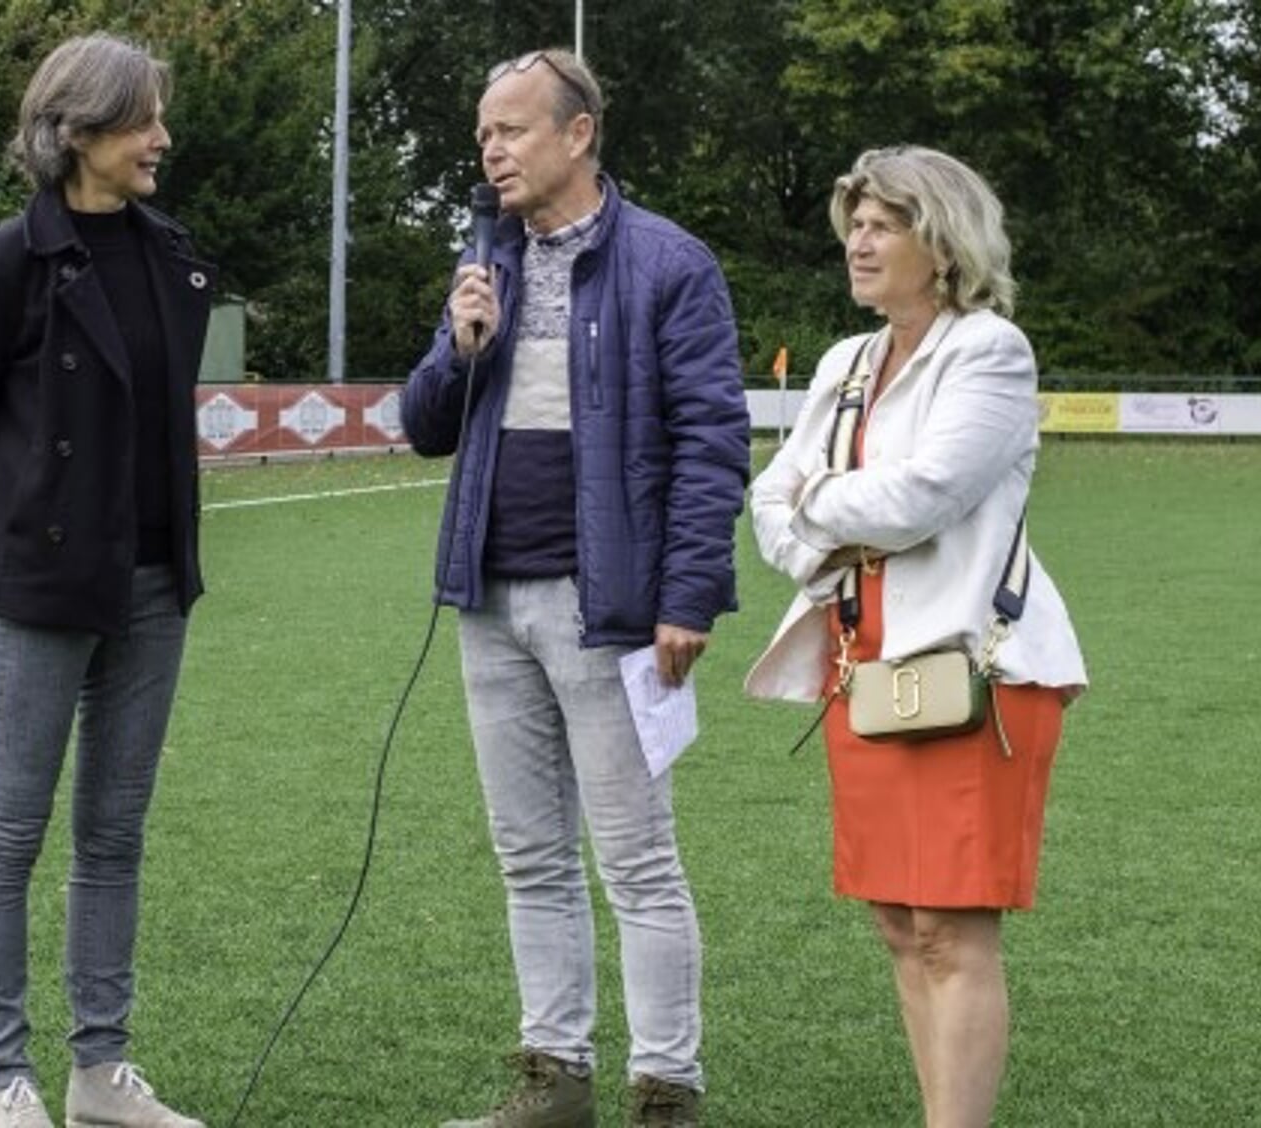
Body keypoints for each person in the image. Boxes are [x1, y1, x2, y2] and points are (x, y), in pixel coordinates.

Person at [401, 47, 751, 1128]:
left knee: (638, 858)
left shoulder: (667, 262)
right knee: (529, 855)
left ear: (578, 132)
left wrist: (688, 593)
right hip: (491, 601)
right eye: (484, 136)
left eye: (509, 129)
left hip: (613, 608)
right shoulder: (485, 258)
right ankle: (554, 1082)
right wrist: (461, 350)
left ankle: (666, 1091)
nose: (491, 150)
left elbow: (711, 438)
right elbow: (421, 427)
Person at [745, 146, 1087, 1128]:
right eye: (855, 222)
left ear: (941, 241)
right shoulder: (844, 363)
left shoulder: (989, 350)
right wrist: (816, 509)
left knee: (951, 933)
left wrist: (820, 502)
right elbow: (772, 499)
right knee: (901, 926)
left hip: (970, 671)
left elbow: (923, 497)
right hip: (863, 672)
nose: (860, 239)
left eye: (883, 222)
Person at [0, 32, 215, 1128]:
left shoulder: (174, 256)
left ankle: (101, 1074)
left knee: (114, 836)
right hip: (39, 596)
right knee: (8, 835)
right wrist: (10, 555)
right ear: (77, 129)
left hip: (152, 589)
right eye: (143, 120)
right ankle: (7, 1081)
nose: (161, 140)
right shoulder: (0, 264)